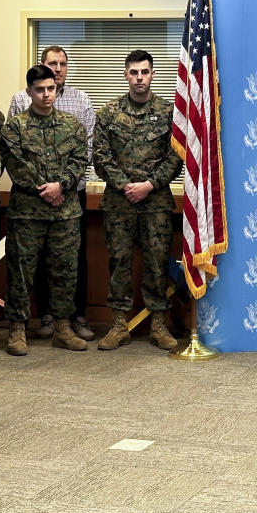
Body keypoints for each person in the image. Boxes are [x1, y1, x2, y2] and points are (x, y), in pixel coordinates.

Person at [93, 50, 182, 351]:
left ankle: (158, 324)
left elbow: (175, 157)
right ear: (125, 75)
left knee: (157, 262)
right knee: (119, 262)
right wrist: (125, 185)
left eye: (144, 72)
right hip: (119, 203)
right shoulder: (108, 113)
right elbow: (100, 158)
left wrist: (149, 185)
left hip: (155, 202)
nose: (139, 77)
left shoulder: (170, 113)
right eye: (134, 72)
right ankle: (119, 324)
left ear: (153, 74)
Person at [8, 45, 97, 341]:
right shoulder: (16, 127)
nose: (47, 94)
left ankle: (62, 326)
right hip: (28, 212)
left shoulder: (71, 125)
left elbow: (80, 160)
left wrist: (61, 186)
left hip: (65, 212)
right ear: (29, 92)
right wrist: (45, 189)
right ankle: (18, 328)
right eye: (40, 89)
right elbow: (15, 163)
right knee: (21, 271)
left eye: (50, 89)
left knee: (65, 271)